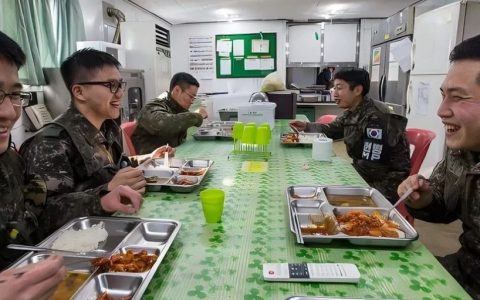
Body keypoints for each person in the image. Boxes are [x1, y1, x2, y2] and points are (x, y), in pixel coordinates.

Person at [19, 48, 147, 237]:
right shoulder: (50, 143)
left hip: (110, 229)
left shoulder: (108, 128)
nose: (120, 93)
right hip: (73, 247)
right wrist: (104, 194)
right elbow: (41, 218)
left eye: (121, 85)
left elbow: (118, 170)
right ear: (79, 91)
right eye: (111, 85)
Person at [397, 34, 480, 299]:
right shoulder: (464, 151)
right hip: (460, 273)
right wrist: (422, 200)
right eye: (444, 95)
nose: (441, 111)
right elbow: (443, 208)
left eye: (458, 97)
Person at [291, 68, 411, 204]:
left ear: (357, 90)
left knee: (321, 196)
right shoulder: (354, 110)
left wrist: (336, 177)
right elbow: (333, 129)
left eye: (339, 88)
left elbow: (372, 168)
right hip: (366, 173)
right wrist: (306, 126)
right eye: (333, 88)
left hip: (384, 185)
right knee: (315, 181)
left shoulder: (376, 118)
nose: (334, 93)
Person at [132, 72, 208, 154]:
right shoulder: (152, 106)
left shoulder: (177, 108)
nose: (191, 101)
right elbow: (165, 124)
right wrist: (197, 117)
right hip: (152, 163)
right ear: (177, 90)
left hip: (169, 158)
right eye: (191, 97)